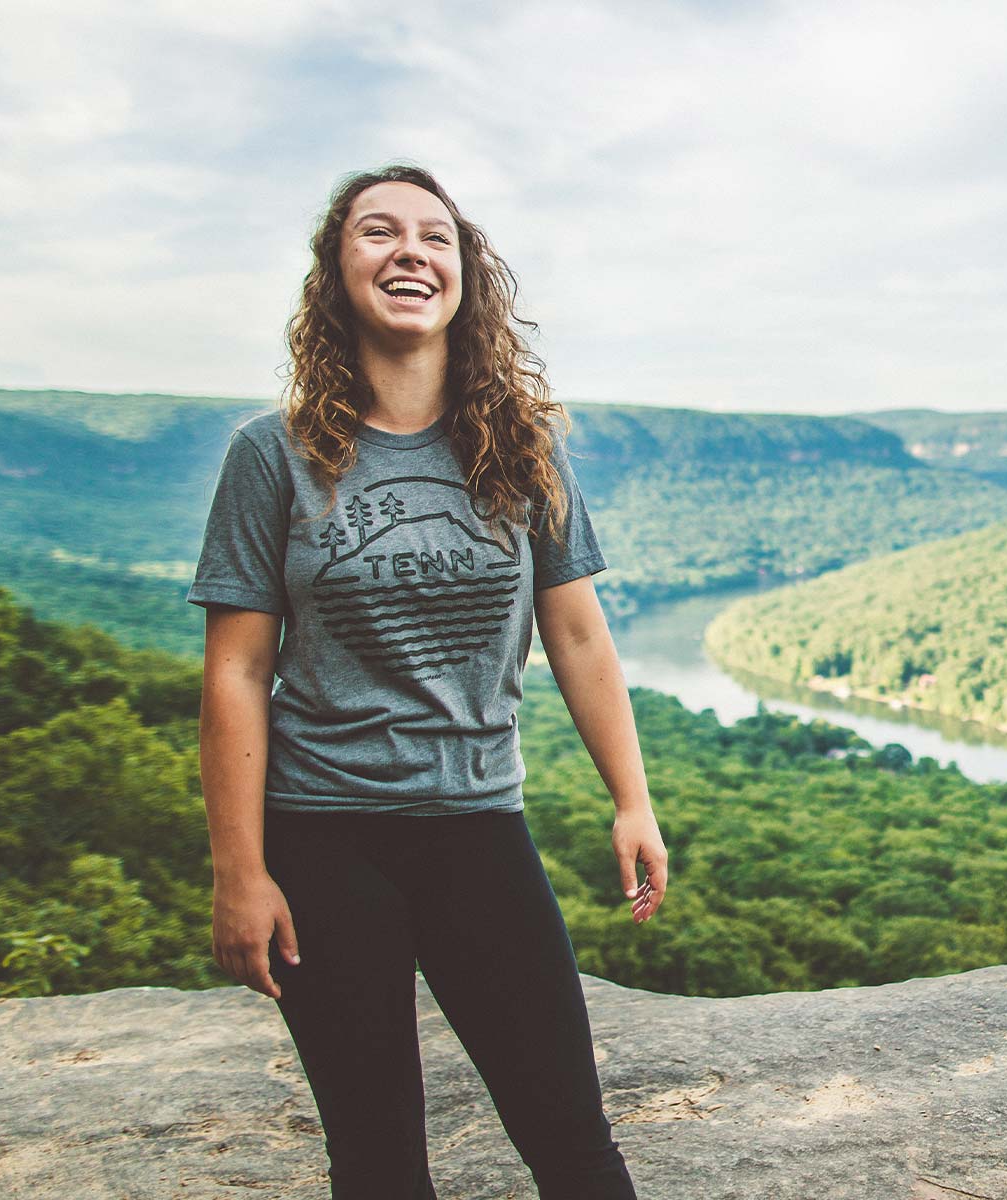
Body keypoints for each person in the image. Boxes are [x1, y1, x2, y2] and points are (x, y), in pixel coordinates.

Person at [186, 162, 668, 1200]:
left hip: (477, 821)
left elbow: (578, 635)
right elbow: (236, 671)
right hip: (320, 834)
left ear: (464, 275)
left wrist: (631, 799)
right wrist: (240, 871)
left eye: (435, 236)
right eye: (377, 232)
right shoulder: (272, 456)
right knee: (377, 1162)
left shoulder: (521, 448)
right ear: (336, 273)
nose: (410, 251)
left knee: (576, 1148)